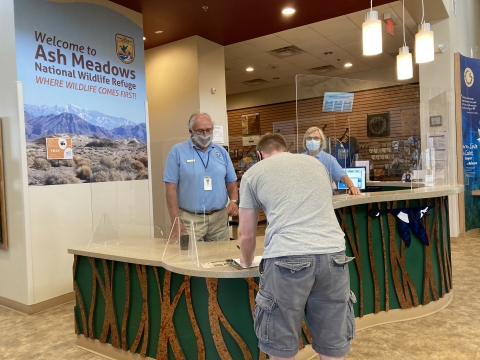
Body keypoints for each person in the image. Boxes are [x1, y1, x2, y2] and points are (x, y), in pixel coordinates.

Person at [238, 133, 356, 360]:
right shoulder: (316, 164)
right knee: (332, 344)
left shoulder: (253, 173)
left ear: (260, 154)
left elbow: (246, 235)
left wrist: (245, 261)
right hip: (334, 255)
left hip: (286, 258)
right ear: (285, 149)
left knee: (281, 345)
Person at [163, 112, 239, 242]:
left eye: (208, 130)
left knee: (220, 258)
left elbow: (231, 181)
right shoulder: (177, 152)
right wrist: (175, 220)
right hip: (190, 219)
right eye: (200, 131)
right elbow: (170, 189)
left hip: (219, 219)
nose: (205, 135)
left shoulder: (221, 152)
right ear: (191, 131)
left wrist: (233, 201)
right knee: (189, 258)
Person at [303, 127, 361, 195]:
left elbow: (343, 176)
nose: (312, 141)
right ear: (305, 141)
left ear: (321, 141)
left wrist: (352, 187)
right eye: (309, 138)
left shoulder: (329, 159)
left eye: (316, 138)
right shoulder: (299, 159)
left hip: (322, 199)